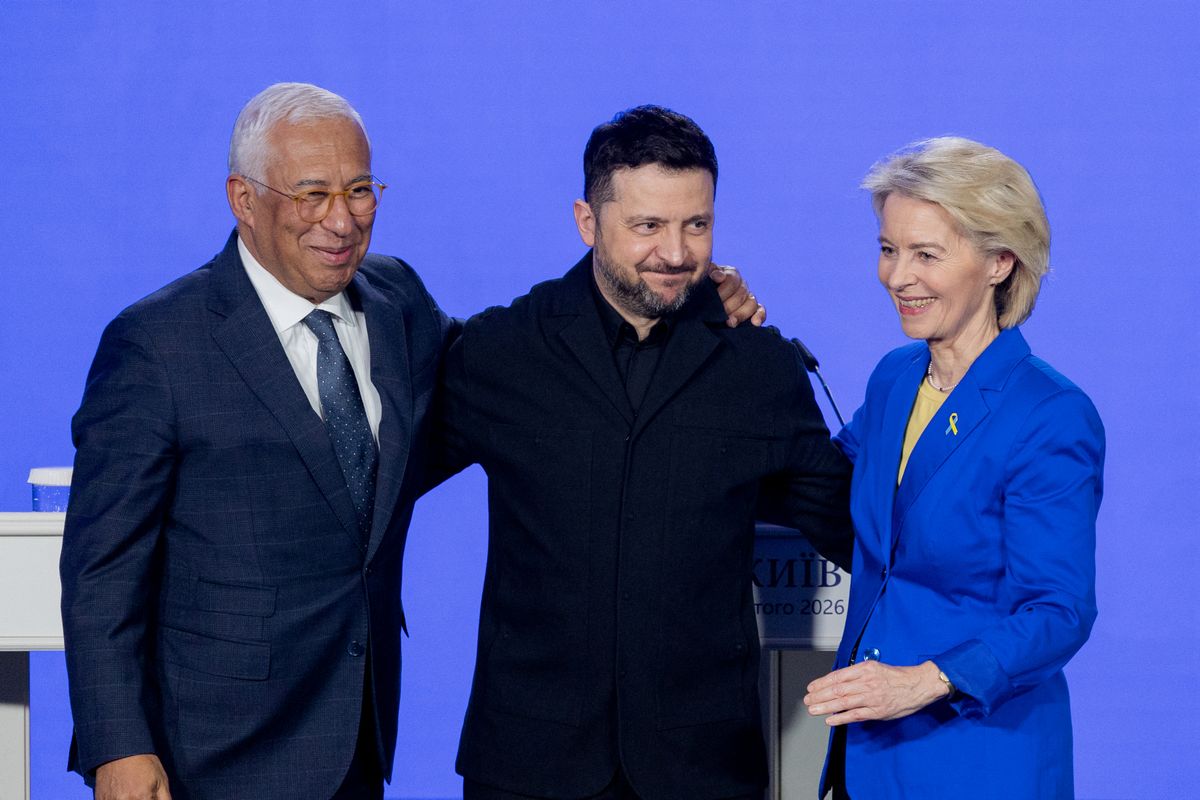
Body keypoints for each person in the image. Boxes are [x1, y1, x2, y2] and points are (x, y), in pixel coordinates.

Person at [59, 84, 763, 800]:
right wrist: (119, 746)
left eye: (361, 189)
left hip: (356, 741)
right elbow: (101, 575)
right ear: (244, 199)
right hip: (207, 751)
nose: (342, 220)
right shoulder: (157, 345)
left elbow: (527, 378)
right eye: (312, 195)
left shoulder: (398, 303)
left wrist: (690, 291)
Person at [438, 105, 854, 800]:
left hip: (705, 770)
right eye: (648, 226)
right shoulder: (500, 353)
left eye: (697, 224)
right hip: (526, 766)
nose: (676, 252)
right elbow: (376, 483)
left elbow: (862, 529)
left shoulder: (760, 369)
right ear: (586, 220)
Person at [803, 137, 1105, 799]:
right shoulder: (894, 378)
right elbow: (825, 488)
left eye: (925, 255)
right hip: (867, 757)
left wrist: (922, 681)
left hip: (979, 759)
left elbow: (1059, 610)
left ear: (1000, 261)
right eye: (888, 249)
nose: (897, 276)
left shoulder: (1049, 415)